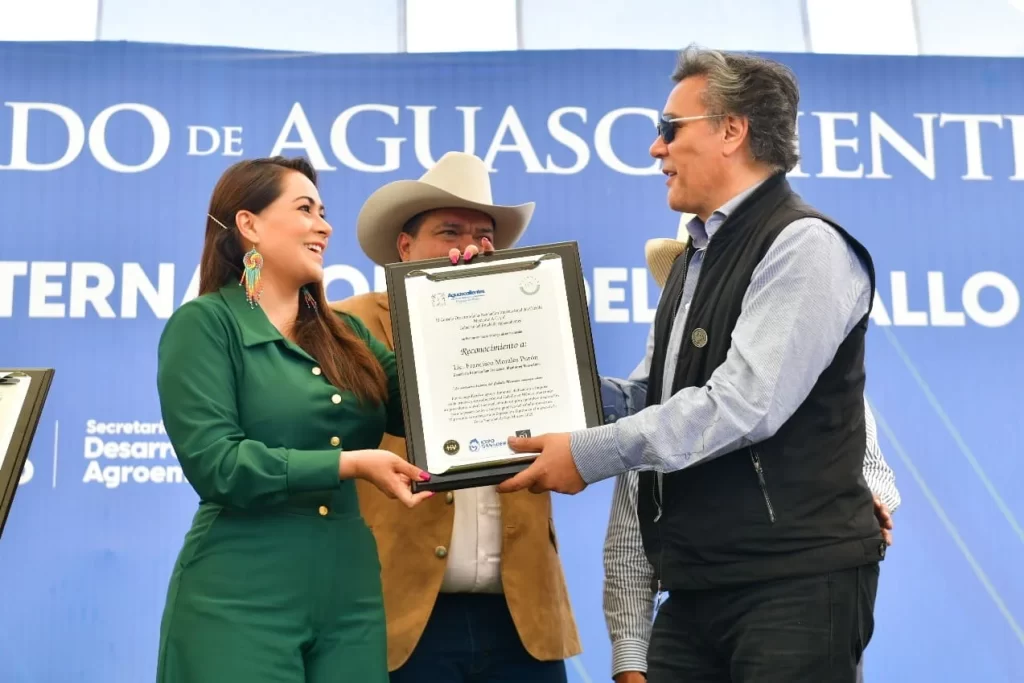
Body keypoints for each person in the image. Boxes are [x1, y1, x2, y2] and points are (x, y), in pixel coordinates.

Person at [498, 45, 886, 682]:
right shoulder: (693, 260)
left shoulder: (805, 245)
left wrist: (589, 452)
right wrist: (523, 386)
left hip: (792, 581)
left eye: (668, 129)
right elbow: (651, 395)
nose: (656, 149)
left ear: (732, 130)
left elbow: (743, 404)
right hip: (698, 583)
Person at [154, 155, 433, 683]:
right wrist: (347, 464)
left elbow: (433, 408)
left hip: (350, 601)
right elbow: (218, 465)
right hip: (236, 598)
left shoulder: (347, 336)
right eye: (305, 208)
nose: (324, 225)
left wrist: (463, 295)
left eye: (324, 212)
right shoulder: (205, 325)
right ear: (249, 224)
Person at [601, 236, 902, 683]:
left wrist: (863, 500)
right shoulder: (660, 398)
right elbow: (631, 531)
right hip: (696, 599)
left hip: (798, 591)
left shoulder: (802, 372)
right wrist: (630, 655)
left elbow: (873, 469)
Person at [330, 151, 581, 683]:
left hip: (522, 619)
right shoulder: (350, 326)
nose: (470, 245)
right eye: (450, 231)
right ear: (405, 246)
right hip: (402, 616)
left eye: (484, 235)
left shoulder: (531, 317)